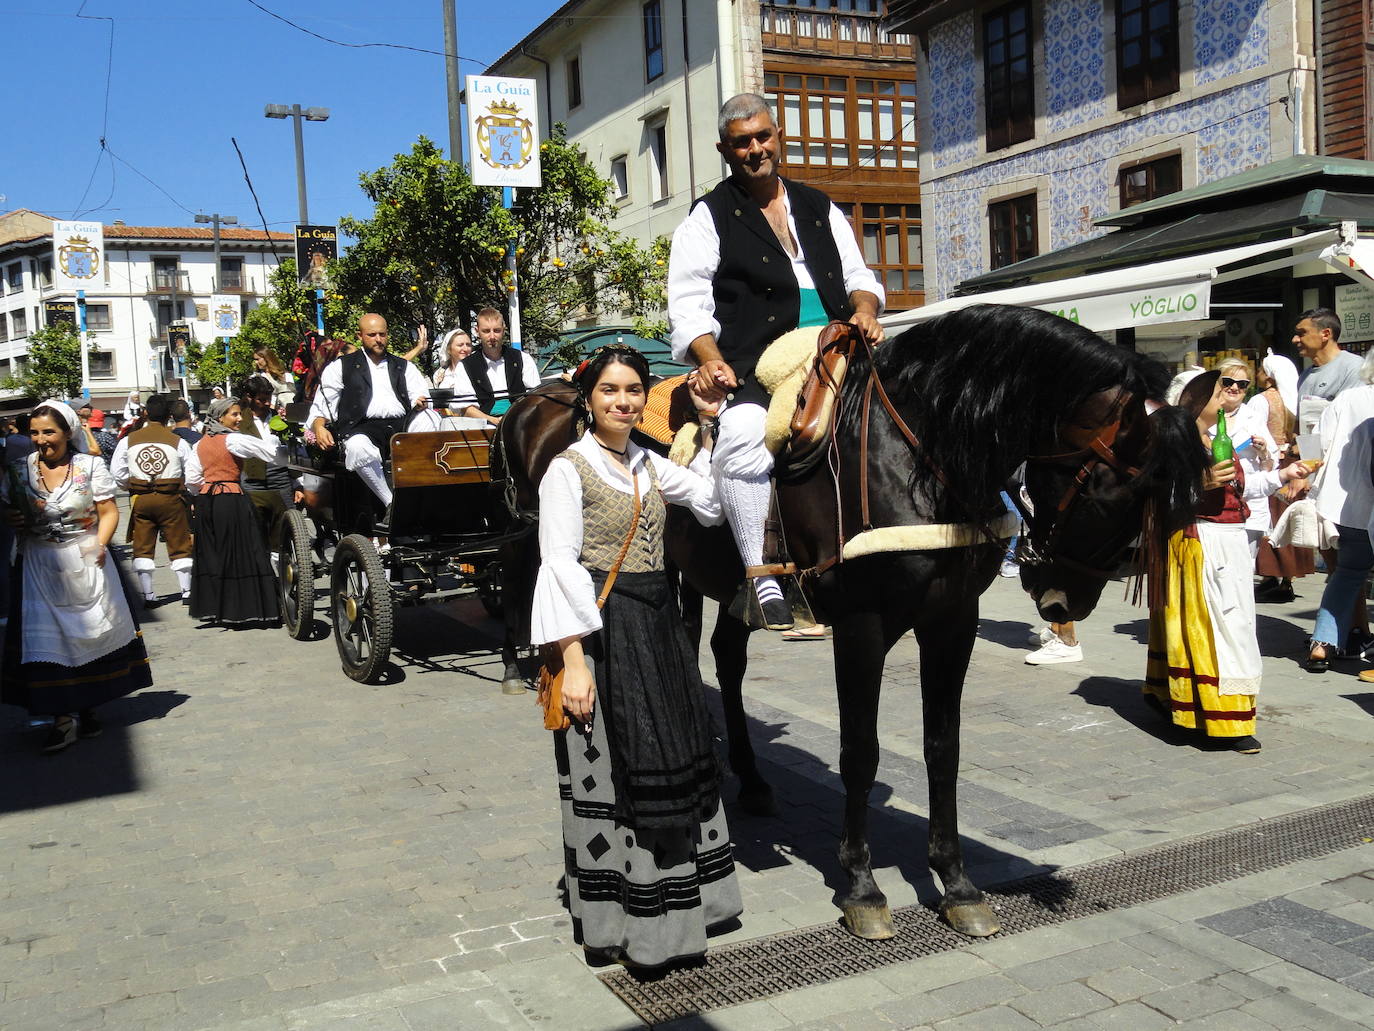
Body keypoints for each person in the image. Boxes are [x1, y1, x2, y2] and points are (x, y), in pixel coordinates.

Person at [531, 345, 741, 968]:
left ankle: (687, 907)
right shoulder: (567, 471)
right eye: (609, 391)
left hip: (659, 627)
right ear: (588, 400)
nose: (622, 402)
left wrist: (705, 423)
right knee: (617, 770)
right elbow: (559, 566)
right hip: (603, 628)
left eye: (632, 391)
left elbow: (707, 500)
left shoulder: (648, 464)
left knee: (674, 751)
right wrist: (573, 661)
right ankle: (623, 922)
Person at [668, 93, 885, 631]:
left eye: (763, 137)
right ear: (725, 149)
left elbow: (860, 279)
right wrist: (712, 360)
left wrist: (864, 311)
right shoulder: (708, 216)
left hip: (839, 348)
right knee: (742, 434)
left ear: (779, 137)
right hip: (757, 363)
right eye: (742, 142)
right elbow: (688, 302)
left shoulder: (819, 205)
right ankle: (761, 573)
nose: (755, 149)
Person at [1145, 372, 1309, 754]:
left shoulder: (1217, 437)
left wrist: (1282, 475)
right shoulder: (1173, 441)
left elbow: (1241, 487)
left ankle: (1197, 707)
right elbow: (1152, 490)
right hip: (1202, 540)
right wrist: (1197, 485)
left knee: (1234, 626)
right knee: (1221, 631)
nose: (1228, 395)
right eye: (1220, 390)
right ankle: (1222, 720)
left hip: (1230, 540)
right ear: (1194, 399)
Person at [1, 399, 154, 753]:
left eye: (48, 432)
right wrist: (12, 519)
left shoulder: (89, 466)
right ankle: (61, 719)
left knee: (86, 637)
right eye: (35, 433)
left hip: (85, 560)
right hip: (38, 563)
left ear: (67, 433)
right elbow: (9, 508)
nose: (40, 440)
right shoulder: (18, 470)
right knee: (48, 641)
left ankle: (87, 708)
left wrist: (99, 544)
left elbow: (108, 511)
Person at [308, 313, 430, 512]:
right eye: (372, 335)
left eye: (382, 334)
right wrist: (319, 426)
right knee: (357, 447)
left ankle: (422, 493)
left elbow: (419, 394)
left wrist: (419, 402)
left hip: (401, 425)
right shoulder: (341, 367)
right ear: (360, 336)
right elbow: (323, 404)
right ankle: (391, 503)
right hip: (362, 428)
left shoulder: (403, 366)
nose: (378, 339)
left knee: (430, 419)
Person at [1302, 350, 1374, 672]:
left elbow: (1313, 441)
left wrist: (1304, 472)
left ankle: (1321, 643)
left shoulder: (1346, 398)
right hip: (1364, 503)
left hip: (1346, 505)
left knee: (1346, 575)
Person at [186, 398, 281, 626]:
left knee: (212, 553)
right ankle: (243, 609)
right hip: (230, 500)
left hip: (207, 502)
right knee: (242, 550)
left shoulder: (200, 444)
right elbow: (270, 452)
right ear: (221, 417)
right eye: (234, 415)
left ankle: (215, 608)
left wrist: (205, 488)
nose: (239, 419)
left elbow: (191, 480)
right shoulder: (233, 440)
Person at [110, 393, 197, 604]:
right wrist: (187, 490)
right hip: (172, 499)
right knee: (179, 543)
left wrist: (131, 485)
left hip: (142, 499)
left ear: (146, 413)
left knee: (142, 545)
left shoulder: (128, 441)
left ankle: (149, 594)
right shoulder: (178, 441)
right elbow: (193, 472)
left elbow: (117, 473)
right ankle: (186, 591)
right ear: (168, 416)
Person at [1247, 351, 1310, 601]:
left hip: (1274, 465)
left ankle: (1272, 575)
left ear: (1270, 377)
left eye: (1262, 370)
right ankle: (1287, 578)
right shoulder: (1296, 400)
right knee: (1289, 519)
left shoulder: (1262, 401)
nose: (1259, 374)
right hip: (1295, 464)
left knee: (1273, 518)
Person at [449, 308, 541, 426]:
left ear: (504, 330)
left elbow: (535, 398)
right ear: (477, 332)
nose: (492, 336)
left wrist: (512, 418)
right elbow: (466, 408)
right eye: (486, 331)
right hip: (484, 426)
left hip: (520, 424)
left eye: (496, 330)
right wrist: (495, 421)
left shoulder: (523, 359)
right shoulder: (465, 366)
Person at [1294, 308, 1360, 435]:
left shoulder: (1354, 368)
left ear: (1325, 334)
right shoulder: (1304, 376)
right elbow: (1299, 425)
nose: (1295, 340)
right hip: (1308, 454)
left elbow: (1350, 421)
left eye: (1302, 333)